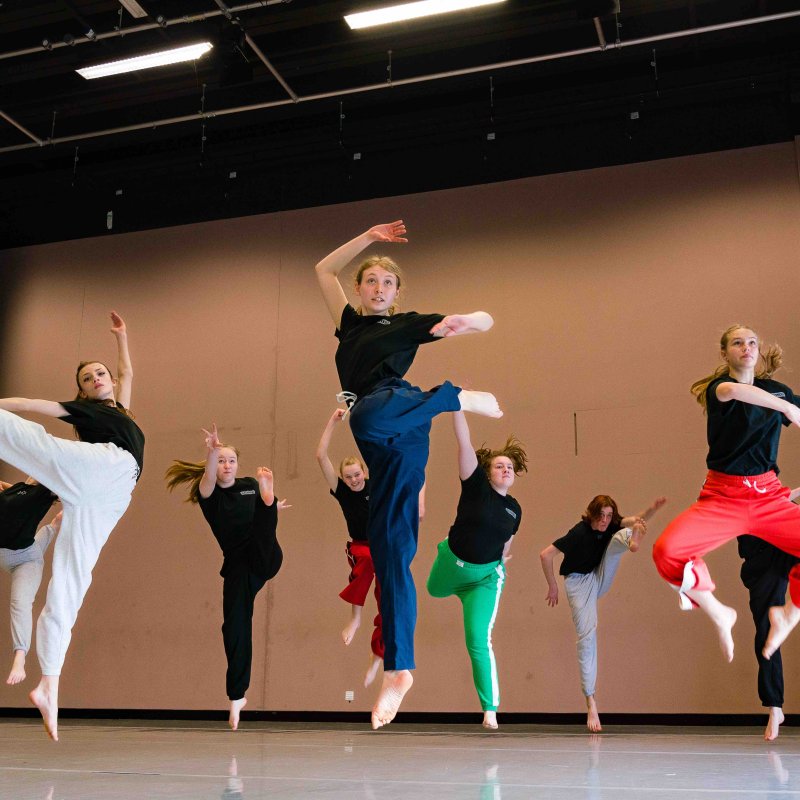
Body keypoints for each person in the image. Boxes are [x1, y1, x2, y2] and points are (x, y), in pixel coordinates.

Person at [315, 219, 502, 729]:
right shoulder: (350, 323)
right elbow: (322, 268)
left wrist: (464, 322)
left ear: (397, 294)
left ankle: (451, 397)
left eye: (387, 283)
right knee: (389, 553)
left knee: (365, 415)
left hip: (396, 413)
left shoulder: (408, 323)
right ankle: (400, 669)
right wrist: (368, 239)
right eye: (370, 281)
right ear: (358, 290)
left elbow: (460, 324)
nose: (378, 288)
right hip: (389, 438)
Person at [0, 311, 143, 740]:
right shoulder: (81, 412)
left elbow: (126, 371)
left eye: (100, 374)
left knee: (72, 581)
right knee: (38, 442)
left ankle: (49, 684)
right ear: (80, 391)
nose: (97, 378)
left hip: (113, 494)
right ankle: (50, 685)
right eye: (87, 378)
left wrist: (121, 336)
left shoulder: (122, 408)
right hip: (98, 469)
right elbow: (27, 406)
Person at [652, 325, 800, 665]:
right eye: (737, 343)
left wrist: (790, 404)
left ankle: (789, 615)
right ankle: (719, 612)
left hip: (769, 498)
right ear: (725, 353)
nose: (746, 347)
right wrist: (788, 409)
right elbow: (738, 392)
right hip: (723, 498)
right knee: (666, 552)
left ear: (758, 349)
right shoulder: (719, 390)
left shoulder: (778, 391)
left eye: (751, 342)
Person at [165, 423, 287, 731]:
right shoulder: (208, 494)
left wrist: (270, 504)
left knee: (264, 514)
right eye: (222, 461)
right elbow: (207, 477)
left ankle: (269, 502)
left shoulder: (248, 484)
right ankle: (236, 697)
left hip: (264, 556)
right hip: (237, 565)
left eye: (231, 460)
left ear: (238, 466)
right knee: (234, 625)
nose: (226, 465)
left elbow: (261, 521)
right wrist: (213, 449)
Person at [426, 411, 526, 730]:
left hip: (484, 579)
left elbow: (506, 543)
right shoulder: (475, 486)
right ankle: (446, 545)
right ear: (486, 471)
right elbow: (464, 441)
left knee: (478, 639)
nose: (506, 469)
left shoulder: (514, 509)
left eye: (509, 467)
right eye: (499, 465)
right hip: (451, 565)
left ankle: (490, 710)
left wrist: (502, 561)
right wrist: (457, 406)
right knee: (431, 589)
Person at [540, 494, 666, 732]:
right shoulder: (579, 532)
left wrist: (651, 509)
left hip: (599, 575)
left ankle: (632, 541)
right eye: (601, 516)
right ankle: (591, 701)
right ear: (592, 515)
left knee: (621, 534)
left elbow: (634, 519)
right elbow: (545, 555)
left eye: (609, 516)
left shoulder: (611, 524)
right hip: (578, 583)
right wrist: (552, 585)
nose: (605, 521)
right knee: (587, 637)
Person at [738, 485, 800, 742]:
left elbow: (783, 498)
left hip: (781, 543)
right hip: (760, 563)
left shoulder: (765, 481)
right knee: (765, 634)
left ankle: (791, 612)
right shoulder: (732, 488)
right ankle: (775, 707)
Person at [0, 478, 61, 685]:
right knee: (44, 535)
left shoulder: (37, 493)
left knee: (20, 603)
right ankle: (53, 526)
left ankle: (20, 657)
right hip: (10, 552)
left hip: (25, 561)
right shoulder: (19, 489)